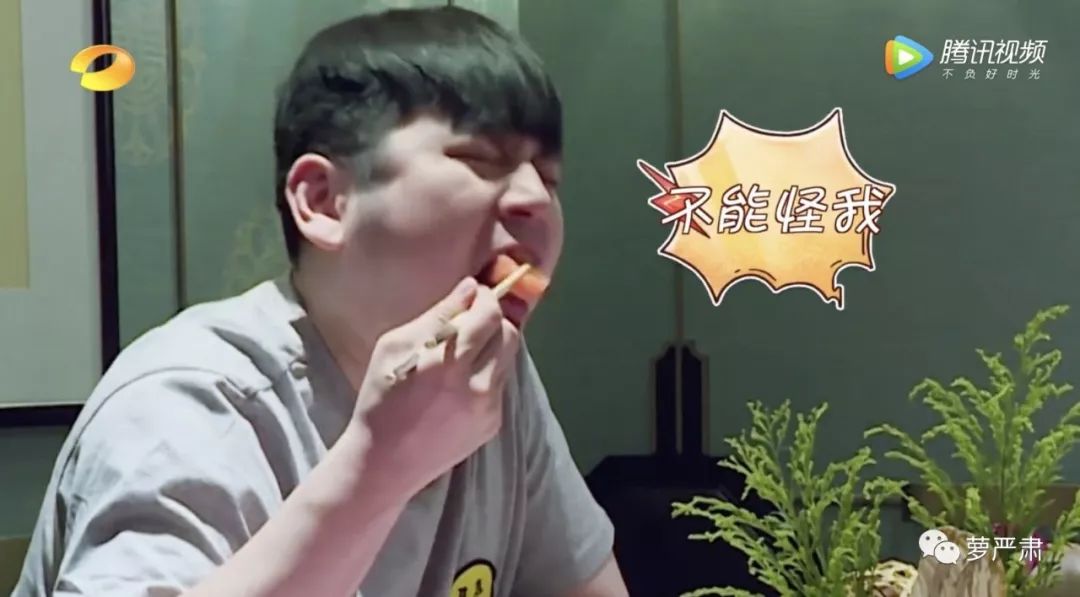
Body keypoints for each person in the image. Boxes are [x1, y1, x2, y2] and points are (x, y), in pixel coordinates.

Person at [14, 6, 628, 596]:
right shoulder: (187, 404)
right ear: (324, 202)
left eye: (549, 177)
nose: (535, 199)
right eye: (479, 160)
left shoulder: (490, 379)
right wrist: (381, 465)